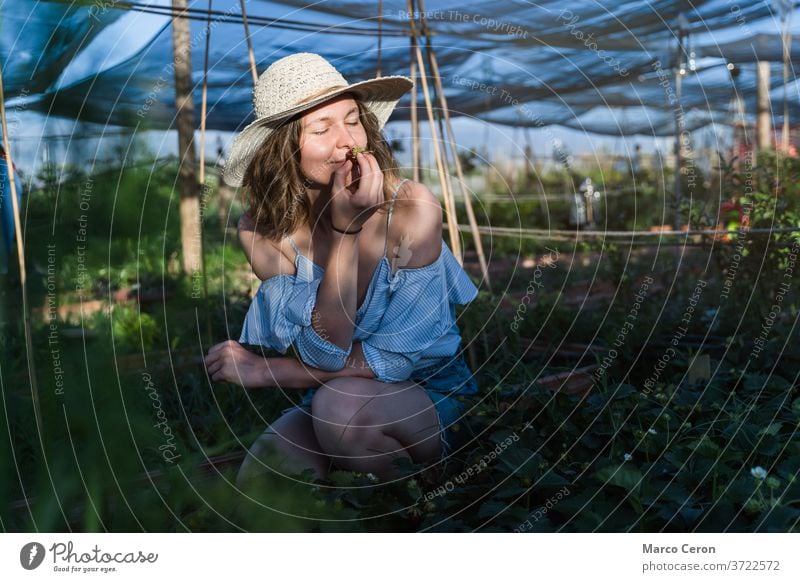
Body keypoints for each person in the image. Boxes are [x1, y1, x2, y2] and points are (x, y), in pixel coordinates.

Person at [203, 53, 480, 484]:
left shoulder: (411, 210)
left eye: (353, 119)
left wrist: (265, 371)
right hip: (332, 385)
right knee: (262, 478)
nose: (348, 140)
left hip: (427, 388)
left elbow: (393, 364)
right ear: (282, 151)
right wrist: (345, 232)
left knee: (342, 412)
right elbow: (324, 351)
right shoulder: (262, 231)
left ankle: (430, 504)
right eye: (321, 128)